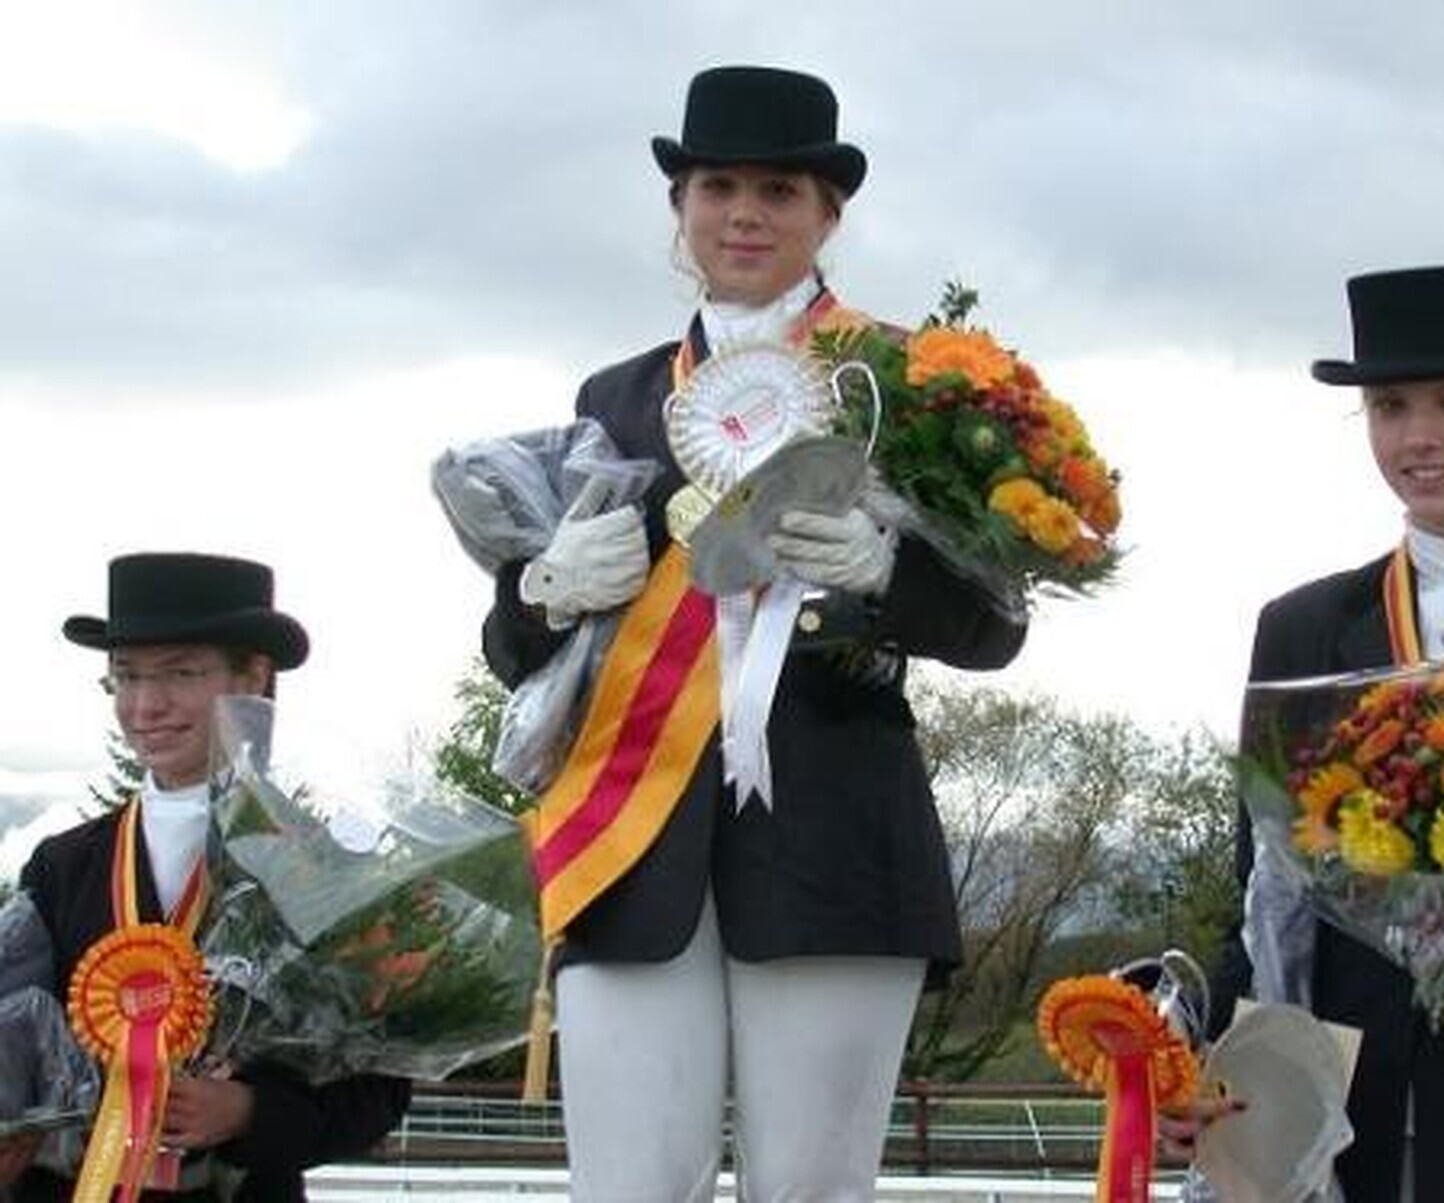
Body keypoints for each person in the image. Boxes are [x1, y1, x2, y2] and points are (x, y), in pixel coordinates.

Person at [480, 66, 1028, 1201]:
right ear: (678, 206)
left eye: (778, 190)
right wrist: (541, 586)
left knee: (813, 1189)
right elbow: (520, 657)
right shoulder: (616, 397)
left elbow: (993, 628)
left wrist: (890, 576)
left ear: (828, 214)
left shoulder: (904, 380)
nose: (742, 213)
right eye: (715, 184)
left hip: (833, 839)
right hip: (629, 839)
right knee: (626, 1188)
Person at [0, 552, 412, 1202]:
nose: (145, 705)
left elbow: (380, 1089)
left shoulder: (320, 866)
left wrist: (249, 1112)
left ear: (253, 677)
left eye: (181, 673)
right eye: (125, 676)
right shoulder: (60, 864)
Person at [1206, 265, 1444, 1202]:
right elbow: (1266, 895)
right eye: (1390, 406)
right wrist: (1201, 1038)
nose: (1420, 437)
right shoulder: (1305, 628)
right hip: (1366, 1087)